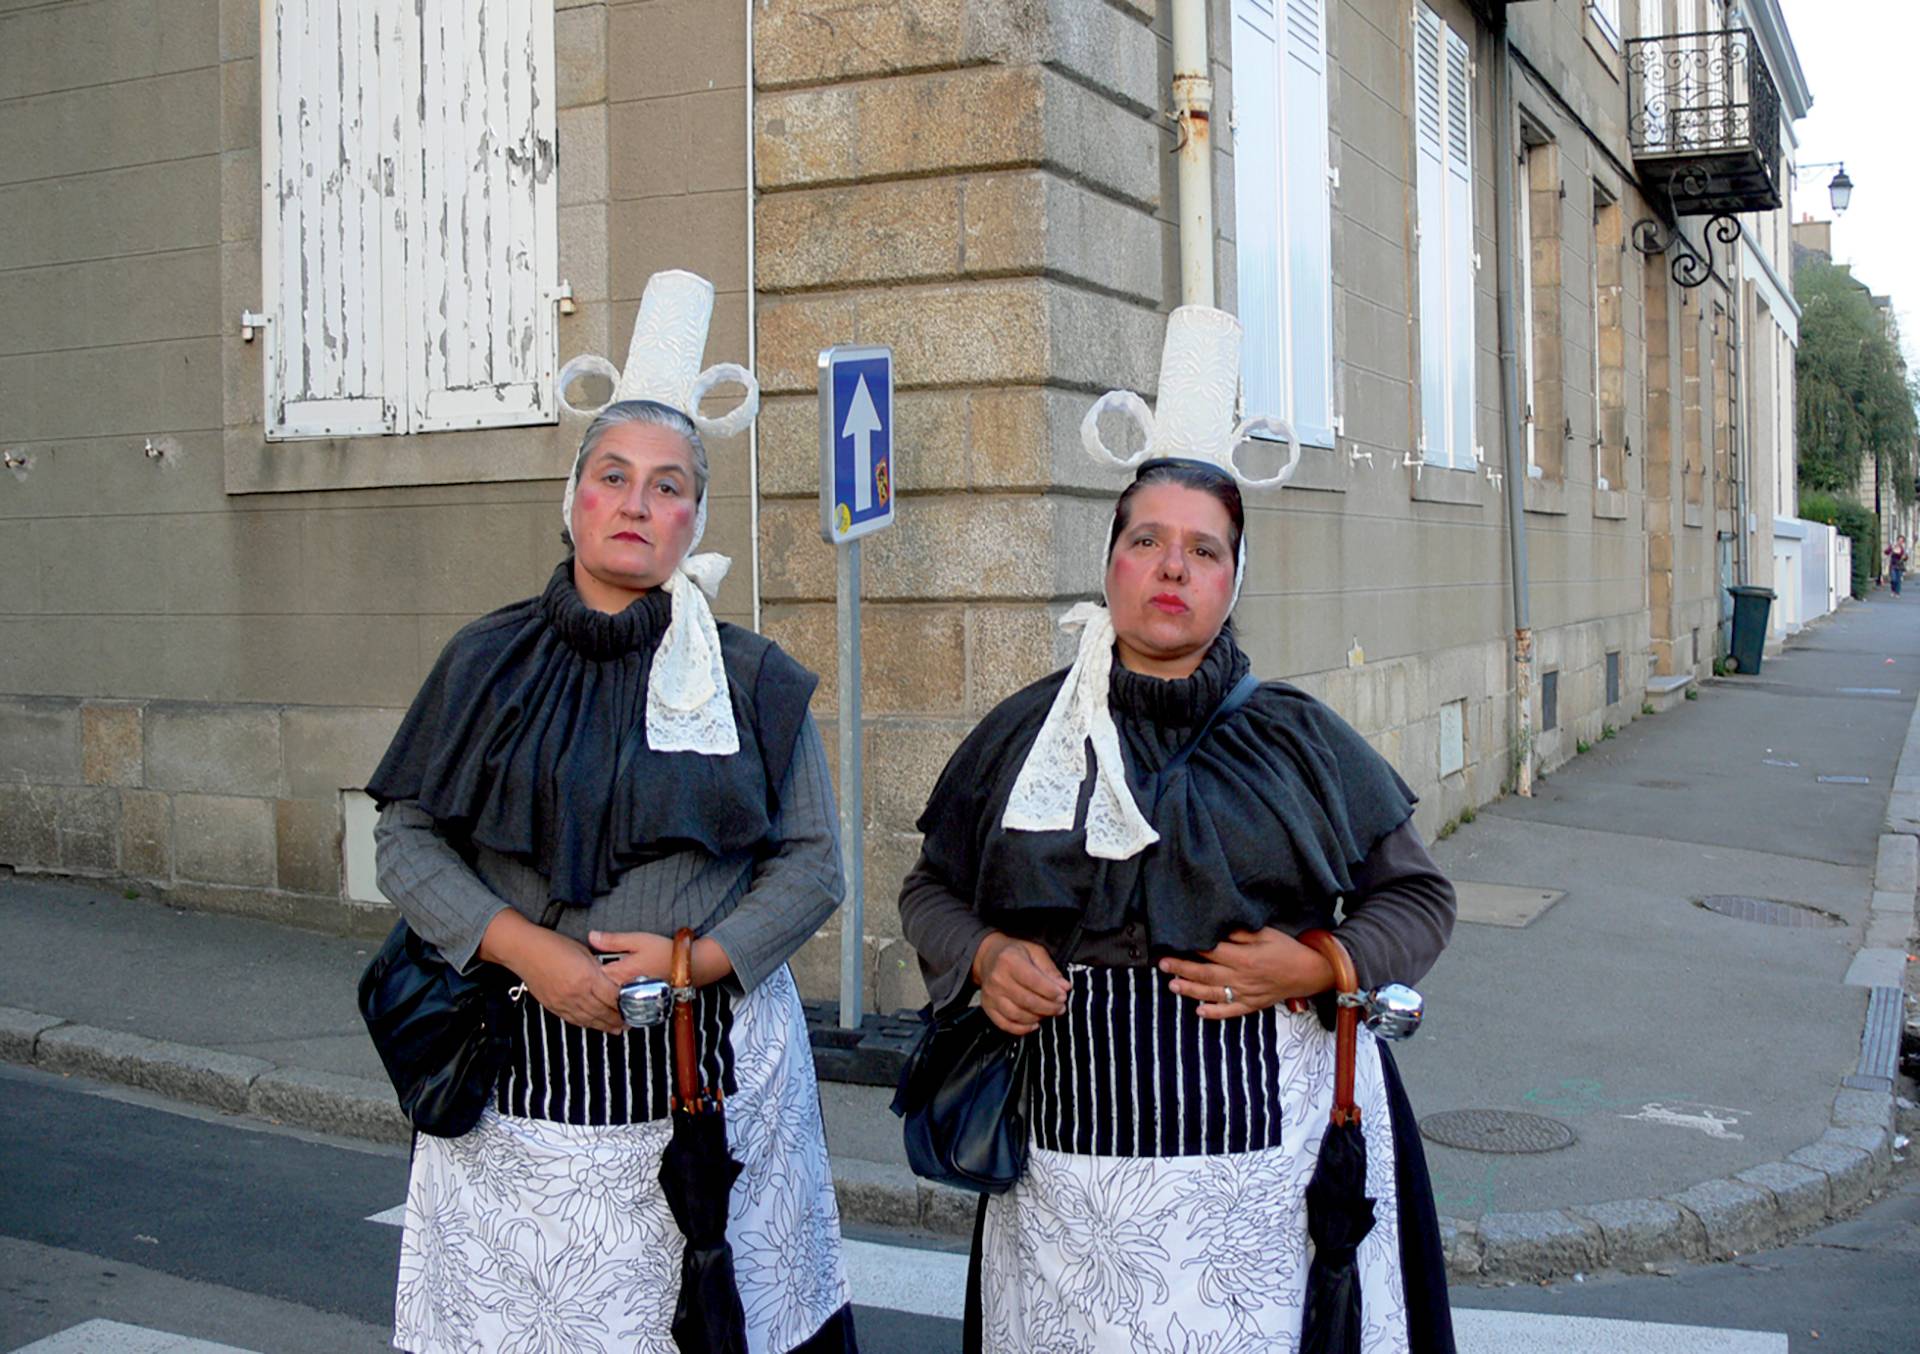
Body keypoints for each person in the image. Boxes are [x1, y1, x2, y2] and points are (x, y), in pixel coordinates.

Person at [898, 307, 1457, 1352]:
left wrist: (1319, 962)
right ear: (1109, 562)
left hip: (1264, 1172)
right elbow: (928, 890)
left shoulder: (1299, 739)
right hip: (1069, 1179)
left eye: (1203, 549)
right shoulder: (1025, 733)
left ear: (1231, 579)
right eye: (1145, 540)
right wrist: (984, 953)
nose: (1171, 566)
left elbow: (1421, 899)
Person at [368, 270, 857, 1354]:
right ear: (575, 496)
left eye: (669, 484)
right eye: (614, 475)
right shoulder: (485, 659)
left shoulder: (753, 678)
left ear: (695, 516)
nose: (638, 502)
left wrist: (701, 958)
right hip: (514, 1108)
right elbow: (404, 837)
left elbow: (815, 866)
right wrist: (527, 951)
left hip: (710, 1092)